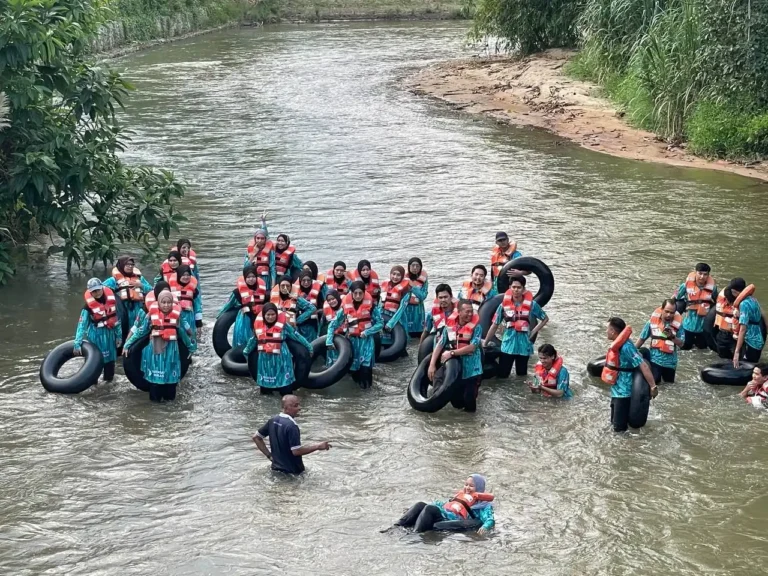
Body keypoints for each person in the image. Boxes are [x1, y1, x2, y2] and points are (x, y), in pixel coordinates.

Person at [122, 290, 196, 403]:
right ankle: (155, 408)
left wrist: (191, 347)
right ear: (159, 303)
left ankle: (170, 410)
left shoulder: (177, 316)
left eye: (168, 302)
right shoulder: (150, 315)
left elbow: (181, 332)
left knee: (171, 385)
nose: (166, 305)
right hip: (155, 352)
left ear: (172, 303)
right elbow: (141, 331)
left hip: (172, 352)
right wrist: (127, 344)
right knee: (155, 383)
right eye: (163, 302)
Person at [483, 275, 548, 377]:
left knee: (521, 376)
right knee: (503, 376)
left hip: (524, 346)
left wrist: (533, 331)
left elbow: (545, 318)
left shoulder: (532, 304)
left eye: (519, 287)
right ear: (510, 287)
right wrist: (485, 342)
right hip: (508, 345)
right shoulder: (503, 305)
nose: (516, 290)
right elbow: (495, 324)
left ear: (523, 289)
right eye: (513, 287)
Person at [600, 317, 657, 432]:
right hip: (616, 391)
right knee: (614, 426)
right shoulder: (618, 345)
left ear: (613, 331)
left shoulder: (626, 347)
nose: (606, 331)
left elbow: (643, 366)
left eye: (607, 329)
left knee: (619, 430)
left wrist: (653, 386)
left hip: (624, 393)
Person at [243, 303, 314, 395]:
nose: (270, 317)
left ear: (276, 315)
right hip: (265, 362)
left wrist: (309, 347)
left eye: (273, 314)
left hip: (282, 360)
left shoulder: (284, 326)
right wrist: (246, 352)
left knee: (285, 388)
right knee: (265, 392)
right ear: (264, 315)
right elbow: (253, 340)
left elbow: (297, 336)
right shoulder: (258, 327)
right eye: (268, 315)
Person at [252, 395, 331, 475]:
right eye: (296, 405)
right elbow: (296, 451)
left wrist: (269, 456)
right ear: (286, 408)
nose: (300, 408)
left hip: (275, 470)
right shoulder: (292, 426)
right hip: (293, 473)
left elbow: (256, 437)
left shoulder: (272, 420)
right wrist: (317, 446)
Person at [428, 300, 483, 412]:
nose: (470, 314)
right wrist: (432, 364)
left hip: (472, 370)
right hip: (455, 369)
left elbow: (472, 347)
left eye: (471, 311)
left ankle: (471, 427)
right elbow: (440, 343)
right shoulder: (449, 326)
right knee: (456, 403)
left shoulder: (477, 328)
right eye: (467, 312)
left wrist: (452, 353)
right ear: (459, 312)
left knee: (469, 402)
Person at [327, 281, 384, 388]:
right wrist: (329, 340)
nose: (358, 296)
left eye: (360, 293)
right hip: (352, 342)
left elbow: (380, 323)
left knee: (366, 371)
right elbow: (333, 324)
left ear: (364, 293)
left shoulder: (371, 307)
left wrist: (367, 332)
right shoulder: (345, 308)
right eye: (355, 293)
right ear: (351, 293)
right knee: (355, 374)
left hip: (366, 342)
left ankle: (368, 400)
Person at [395, 474, 495, 534]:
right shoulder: (461, 496)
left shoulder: (484, 505)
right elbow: (444, 504)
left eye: (471, 486)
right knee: (420, 504)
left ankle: (415, 535)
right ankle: (396, 526)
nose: (467, 488)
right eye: (466, 484)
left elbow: (489, 519)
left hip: (449, 519)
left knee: (429, 509)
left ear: (479, 488)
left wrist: (485, 527)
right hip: (444, 513)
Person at [74, 278, 122, 382]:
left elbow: (117, 321)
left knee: (110, 365)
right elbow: (81, 325)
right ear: (90, 292)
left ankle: (108, 389)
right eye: (94, 291)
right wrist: (77, 343)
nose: (97, 293)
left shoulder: (111, 303)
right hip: (95, 338)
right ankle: (94, 388)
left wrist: (119, 336)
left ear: (102, 289)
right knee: (94, 366)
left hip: (109, 337)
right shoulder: (87, 308)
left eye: (98, 290)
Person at [217, 265, 268, 348]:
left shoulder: (262, 290)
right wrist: (219, 316)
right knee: (244, 338)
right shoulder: (237, 292)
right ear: (244, 278)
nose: (251, 279)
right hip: (245, 318)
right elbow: (228, 305)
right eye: (248, 277)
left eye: (253, 276)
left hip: (259, 317)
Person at [635, 299, 685, 383]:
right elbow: (641, 339)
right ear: (662, 310)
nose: (669, 315)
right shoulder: (651, 322)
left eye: (672, 313)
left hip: (671, 363)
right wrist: (631, 352)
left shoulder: (678, 325)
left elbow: (682, 344)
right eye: (667, 311)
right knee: (656, 382)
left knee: (669, 385)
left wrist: (672, 337)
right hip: (655, 359)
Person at [675, 263, 717, 350]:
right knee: (686, 348)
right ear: (695, 273)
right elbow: (677, 297)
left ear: (708, 275)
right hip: (688, 324)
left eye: (705, 274)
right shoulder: (685, 286)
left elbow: (717, 301)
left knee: (702, 348)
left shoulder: (713, 288)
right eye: (700, 273)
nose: (702, 277)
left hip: (703, 326)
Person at [102, 256, 153, 326]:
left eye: (132, 264)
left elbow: (152, 290)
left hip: (137, 308)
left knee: (137, 328)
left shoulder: (140, 278)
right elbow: (100, 290)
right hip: (122, 308)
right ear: (122, 265)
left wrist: (141, 285)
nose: (130, 266)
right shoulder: (113, 280)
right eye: (127, 264)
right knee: (123, 328)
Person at [731, 278, 765, 366]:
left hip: (750, 340)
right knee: (754, 362)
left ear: (735, 292)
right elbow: (760, 315)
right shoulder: (753, 299)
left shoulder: (744, 304)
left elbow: (743, 329)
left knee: (748, 365)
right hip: (758, 337)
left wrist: (737, 352)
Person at [379, 265, 411, 347]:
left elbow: (401, 309)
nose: (395, 277)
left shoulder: (406, 290)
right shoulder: (385, 285)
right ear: (390, 274)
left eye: (398, 275)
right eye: (393, 274)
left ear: (402, 276)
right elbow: (379, 304)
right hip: (383, 316)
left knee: (400, 347)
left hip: (398, 319)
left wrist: (391, 323)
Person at [169, 265, 203, 340]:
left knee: (191, 338)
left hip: (189, 316)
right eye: (183, 275)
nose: (186, 277)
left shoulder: (194, 290)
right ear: (179, 275)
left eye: (188, 275)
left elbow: (197, 307)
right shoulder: (169, 289)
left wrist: (199, 324)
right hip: (176, 316)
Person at [294, 270, 325, 342]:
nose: (306, 282)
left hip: (312, 324)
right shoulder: (294, 294)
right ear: (300, 281)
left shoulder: (318, 293)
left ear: (311, 281)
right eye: (304, 280)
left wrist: (317, 311)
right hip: (299, 325)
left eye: (308, 280)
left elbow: (322, 307)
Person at [405, 257, 429, 337]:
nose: (415, 268)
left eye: (418, 266)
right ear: (409, 267)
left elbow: (423, 296)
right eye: (413, 265)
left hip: (418, 312)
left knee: (419, 334)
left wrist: (413, 287)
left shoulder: (424, 280)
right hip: (406, 310)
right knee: (407, 334)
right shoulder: (403, 278)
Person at [713, 281, 737, 359]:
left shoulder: (744, 303)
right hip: (723, 333)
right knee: (722, 356)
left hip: (737, 335)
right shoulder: (722, 297)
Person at [321, 290, 344, 367]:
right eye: (329, 300)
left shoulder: (345, 308)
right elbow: (322, 325)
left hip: (345, 337)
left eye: (333, 298)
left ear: (337, 297)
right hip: (333, 339)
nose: (331, 301)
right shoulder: (326, 310)